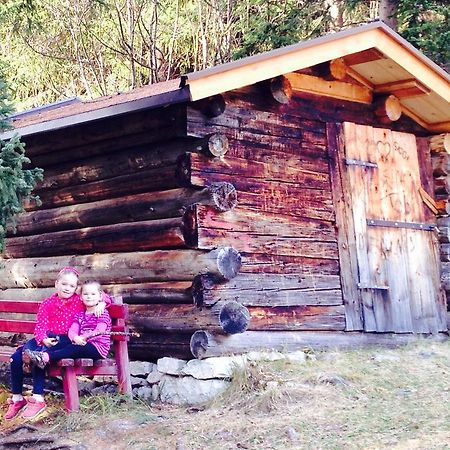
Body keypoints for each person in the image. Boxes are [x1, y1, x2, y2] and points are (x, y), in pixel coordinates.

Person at [4, 267, 110, 421]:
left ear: (76, 289)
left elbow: (97, 295)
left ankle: (38, 399)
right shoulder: (47, 303)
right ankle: (17, 399)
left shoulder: (78, 301)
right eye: (64, 284)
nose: (67, 288)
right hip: (46, 338)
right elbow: (40, 326)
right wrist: (43, 338)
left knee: (39, 354)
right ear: (56, 284)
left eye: (72, 286)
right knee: (16, 357)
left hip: (64, 340)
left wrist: (103, 303)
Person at [26, 280, 112, 370]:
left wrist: (83, 337)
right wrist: (75, 337)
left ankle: (45, 357)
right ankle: (40, 357)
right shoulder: (80, 314)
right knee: (62, 344)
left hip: (97, 347)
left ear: (100, 297)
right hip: (81, 343)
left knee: (74, 348)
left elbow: (99, 331)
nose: (89, 297)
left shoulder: (102, 313)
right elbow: (73, 330)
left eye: (93, 294)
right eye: (86, 294)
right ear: (81, 297)